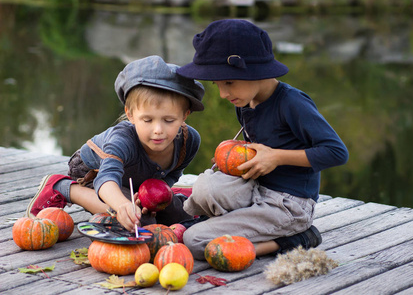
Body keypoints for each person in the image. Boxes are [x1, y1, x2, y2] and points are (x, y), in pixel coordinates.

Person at [176, 19, 349, 259]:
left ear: (255, 71)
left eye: (229, 82)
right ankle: (190, 216)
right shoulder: (246, 101)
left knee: (194, 240)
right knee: (206, 188)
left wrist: (277, 157)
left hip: (288, 204)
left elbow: (336, 152)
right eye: (217, 84)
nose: (223, 94)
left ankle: (293, 238)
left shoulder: (292, 103)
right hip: (256, 189)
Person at [25, 55, 205, 231]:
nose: (158, 129)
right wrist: (122, 205)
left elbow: (172, 174)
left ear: (184, 116)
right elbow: (107, 178)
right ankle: (63, 188)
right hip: (95, 174)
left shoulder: (189, 142)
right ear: (130, 115)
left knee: (183, 217)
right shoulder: (123, 139)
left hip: (136, 179)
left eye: (168, 120)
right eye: (147, 120)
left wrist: (152, 195)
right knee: (139, 221)